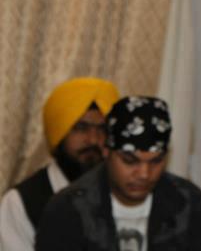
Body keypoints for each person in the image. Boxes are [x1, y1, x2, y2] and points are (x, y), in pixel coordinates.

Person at [35, 96, 201, 251]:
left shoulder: (190, 204)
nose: (144, 174)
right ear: (106, 150)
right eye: (130, 161)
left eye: (156, 161)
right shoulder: (68, 209)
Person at [0, 77, 119, 250]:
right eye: (81, 128)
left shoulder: (127, 191)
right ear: (59, 134)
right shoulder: (20, 203)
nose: (94, 139)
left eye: (103, 129)